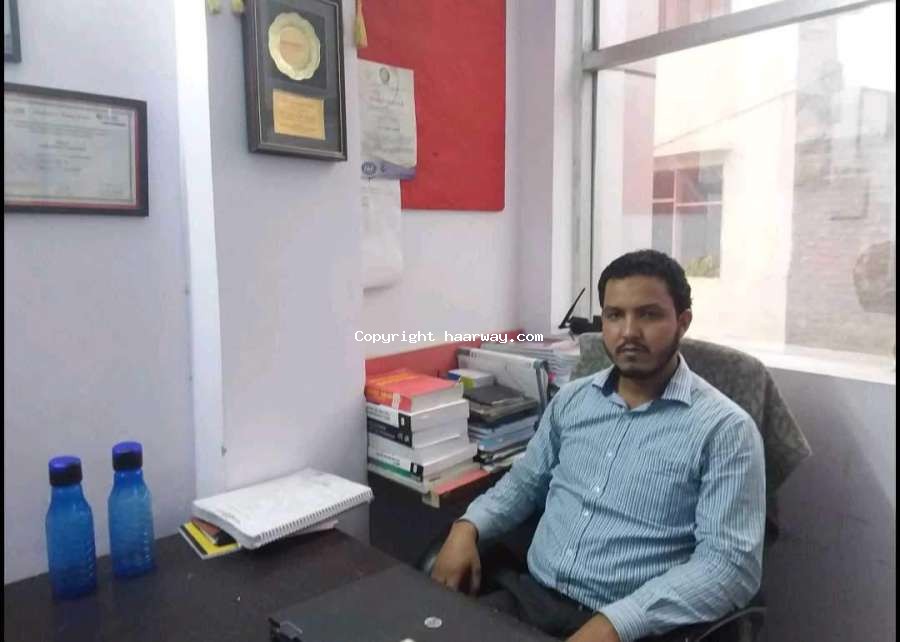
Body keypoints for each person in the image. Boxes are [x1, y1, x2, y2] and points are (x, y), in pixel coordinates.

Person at [431, 250, 766, 642]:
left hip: (636, 627)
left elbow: (729, 567)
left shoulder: (725, 431)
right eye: (614, 315)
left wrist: (617, 623)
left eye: (649, 315)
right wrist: (467, 526)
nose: (629, 332)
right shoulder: (572, 400)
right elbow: (523, 484)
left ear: (683, 321)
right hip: (531, 600)